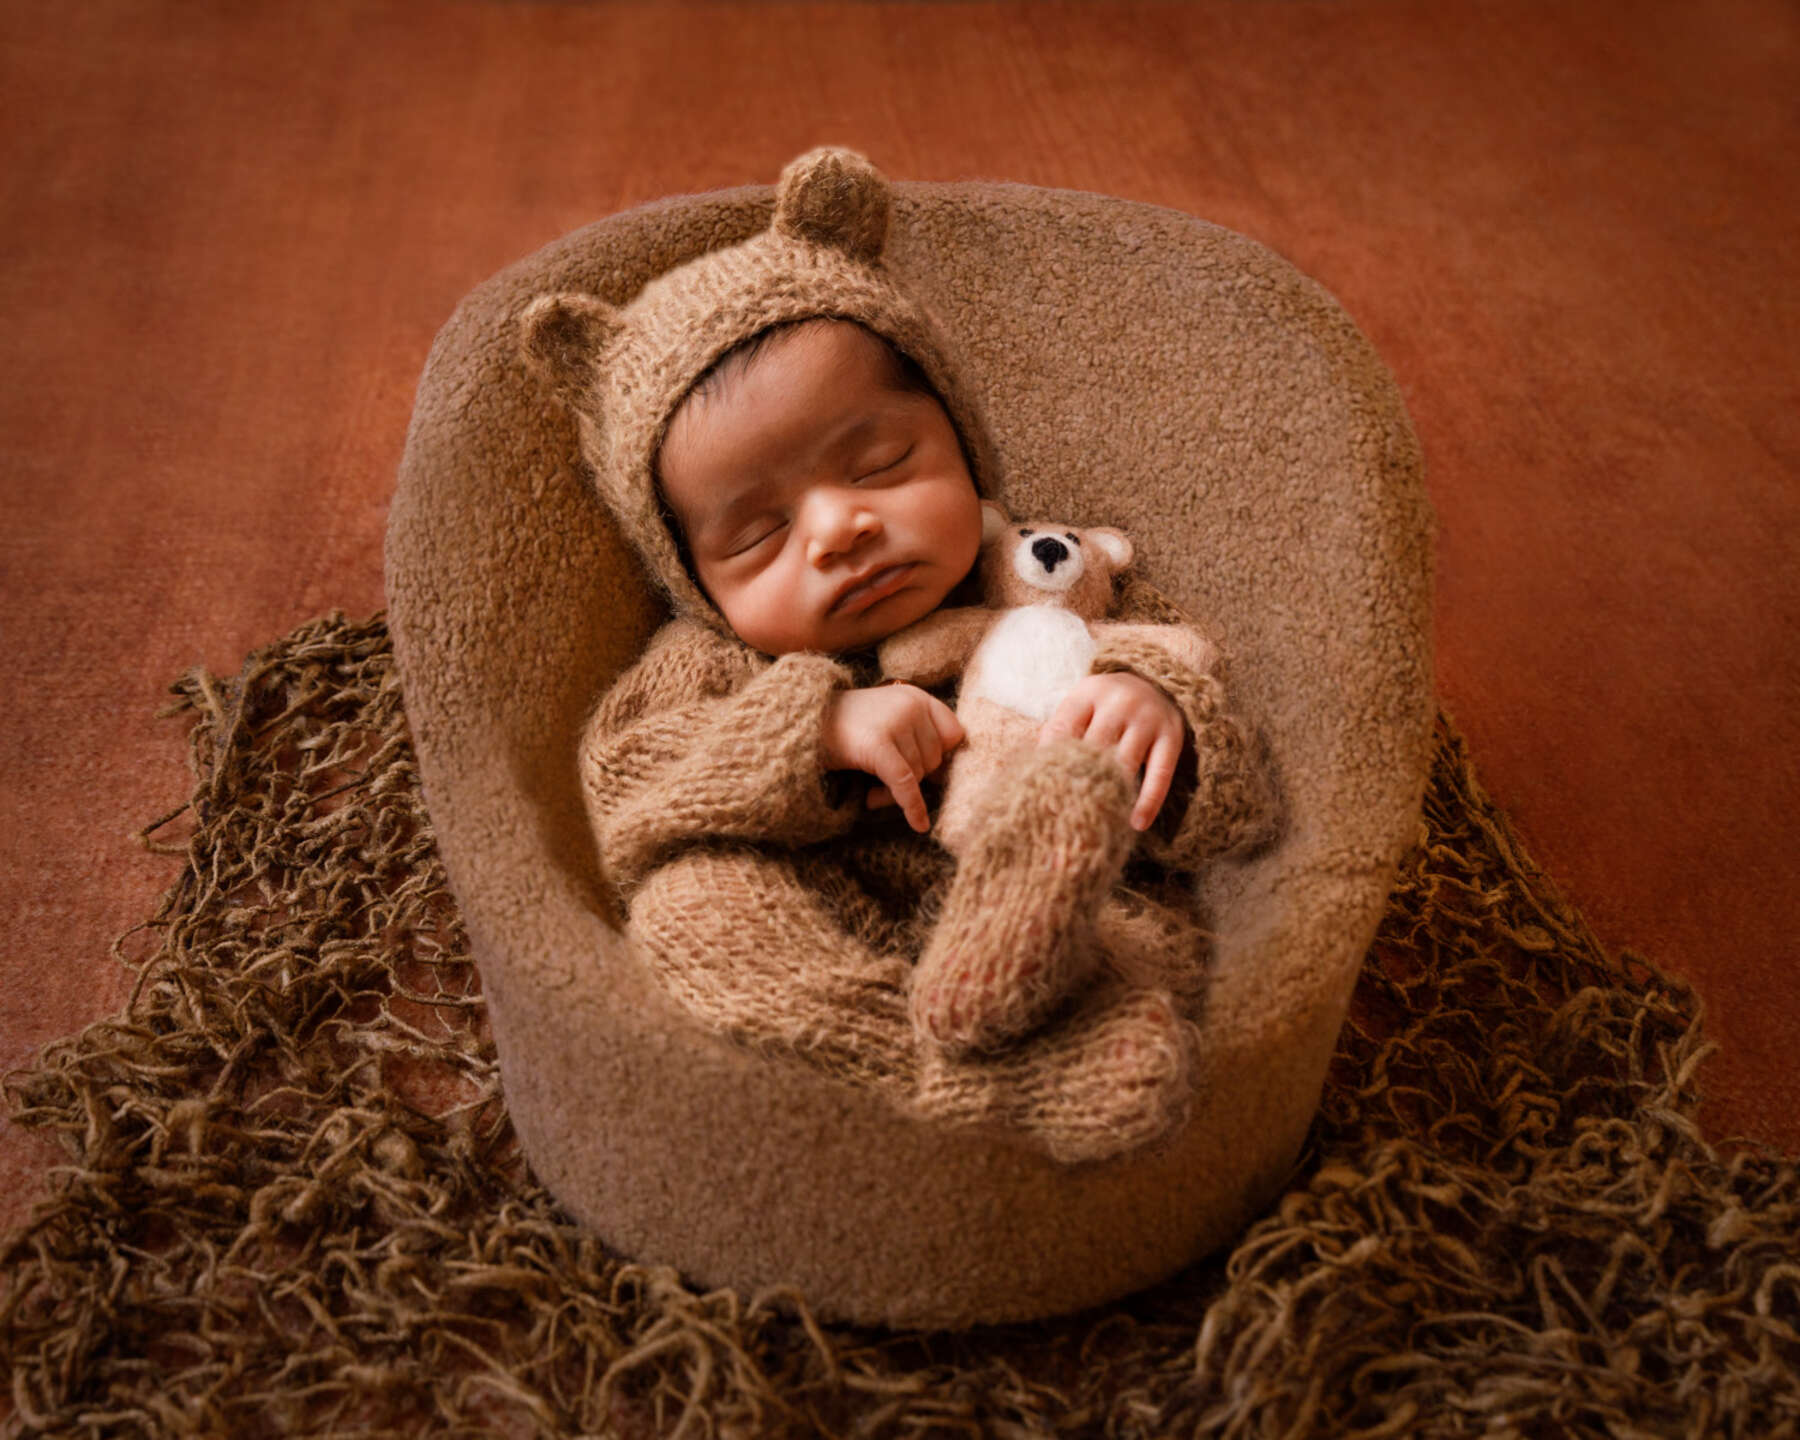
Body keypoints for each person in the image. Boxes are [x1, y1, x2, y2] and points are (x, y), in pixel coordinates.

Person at [519, 148, 1276, 1163]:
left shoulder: (1049, 576)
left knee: (1129, 916)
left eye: (879, 466)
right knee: (689, 906)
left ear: (965, 449)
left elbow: (1223, 774)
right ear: (695, 579)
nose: (837, 530)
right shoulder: (701, 662)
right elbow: (628, 787)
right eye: (756, 536)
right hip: (834, 942)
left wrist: (1157, 704)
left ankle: (1032, 981)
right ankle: (951, 1070)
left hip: (1061, 920)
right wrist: (816, 729)